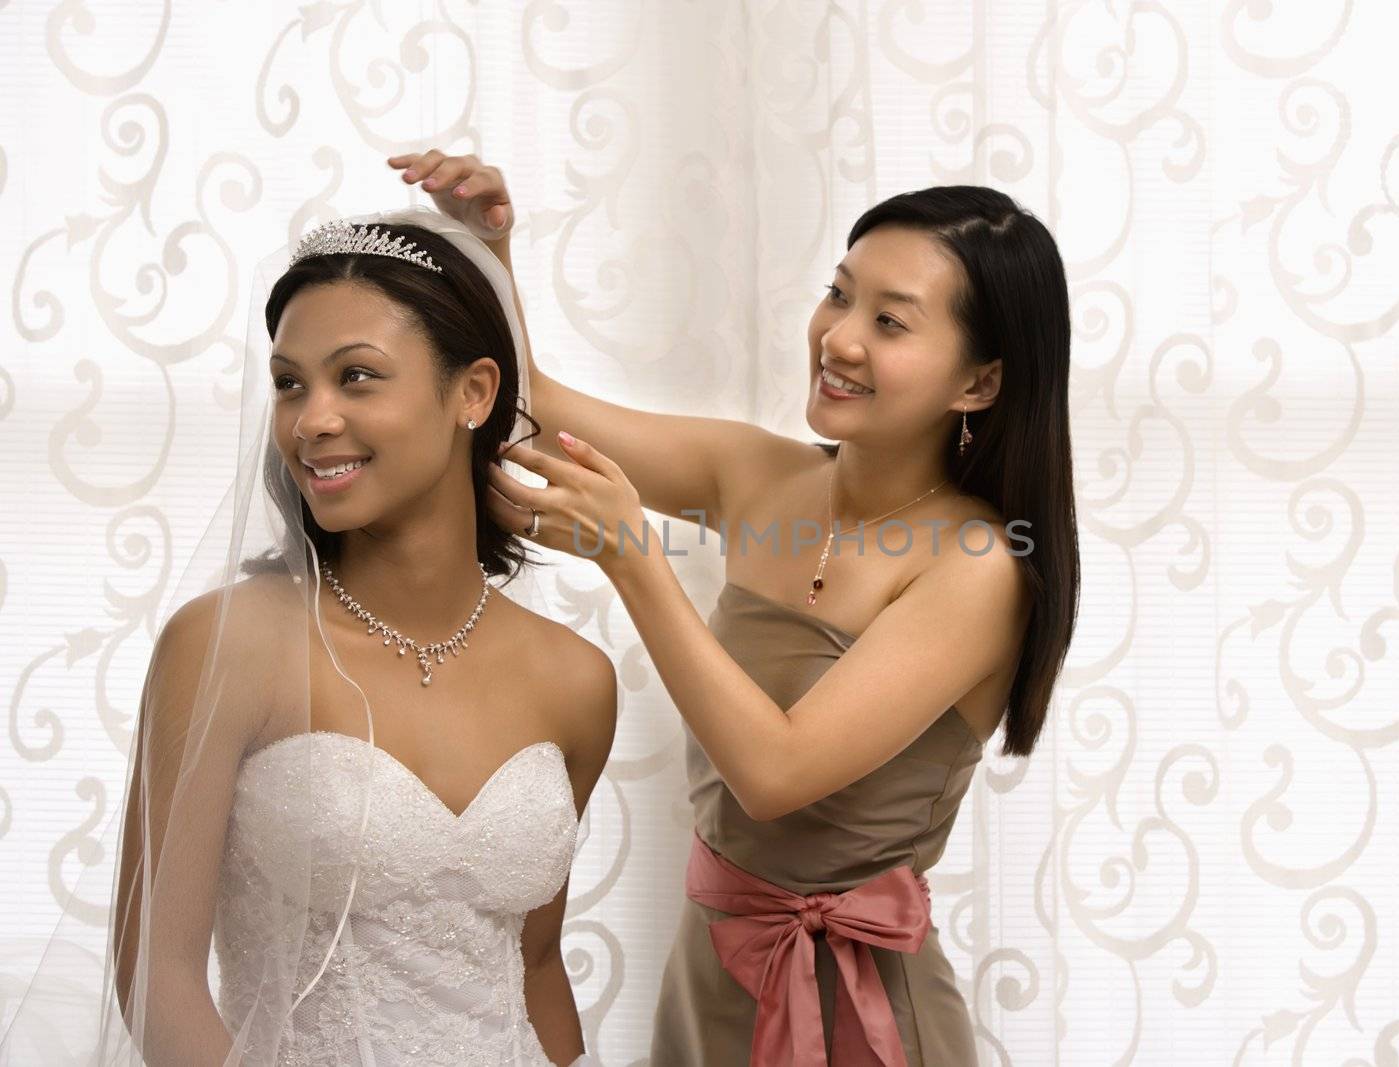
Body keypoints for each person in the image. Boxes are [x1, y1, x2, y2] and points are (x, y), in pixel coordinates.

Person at [389, 150, 1079, 1065]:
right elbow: (529, 412)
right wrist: (490, 256)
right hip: (710, 969)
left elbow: (776, 770)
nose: (839, 337)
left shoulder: (980, 565)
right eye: (839, 294)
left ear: (978, 383)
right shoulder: (760, 475)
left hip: (863, 1014)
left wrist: (632, 559)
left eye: (890, 321)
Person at [2, 205, 614, 1066]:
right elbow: (157, 970)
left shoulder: (575, 677)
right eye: (291, 383)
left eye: (356, 377)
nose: (310, 419)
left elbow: (536, 964)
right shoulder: (228, 643)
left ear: (473, 393)